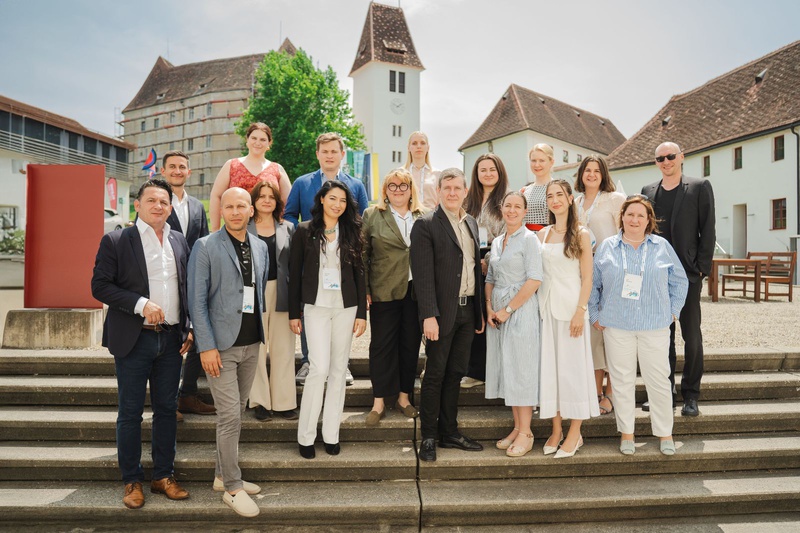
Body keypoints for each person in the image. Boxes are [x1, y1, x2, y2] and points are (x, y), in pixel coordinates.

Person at [91, 178, 192, 509]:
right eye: (152, 200)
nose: (159, 206)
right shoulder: (117, 240)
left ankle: (163, 475)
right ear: (138, 204)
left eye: (164, 201)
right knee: (130, 412)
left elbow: (186, 287)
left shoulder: (179, 240)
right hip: (134, 339)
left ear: (170, 206)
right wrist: (140, 304)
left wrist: (189, 327)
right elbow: (100, 286)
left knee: (166, 410)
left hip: (171, 339)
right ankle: (131, 479)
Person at [188, 187, 268, 518]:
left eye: (241, 206)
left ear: (251, 210)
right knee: (230, 415)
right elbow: (197, 299)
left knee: (237, 411)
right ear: (220, 210)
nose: (235, 211)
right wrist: (205, 346)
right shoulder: (205, 246)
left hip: (251, 343)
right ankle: (233, 487)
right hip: (220, 346)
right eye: (229, 206)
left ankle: (221, 476)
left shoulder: (261, 246)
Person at [589, 195, 689, 456]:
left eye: (640, 215)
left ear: (648, 220)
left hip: (654, 324)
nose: (634, 219)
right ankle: (627, 433)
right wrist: (594, 314)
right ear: (621, 217)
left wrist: (673, 311)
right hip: (616, 325)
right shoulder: (607, 246)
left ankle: (665, 433)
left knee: (658, 380)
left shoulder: (661, 246)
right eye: (629, 214)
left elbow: (680, 280)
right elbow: (593, 283)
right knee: (621, 380)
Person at [410, 168, 486, 462]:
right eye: (447, 188)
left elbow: (473, 268)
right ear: (438, 191)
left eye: (458, 188)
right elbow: (423, 275)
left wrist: (478, 313)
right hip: (441, 314)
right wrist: (429, 315)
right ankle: (429, 435)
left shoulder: (472, 224)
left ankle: (450, 432)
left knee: (456, 373)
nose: (453, 193)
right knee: (435, 374)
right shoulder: (426, 224)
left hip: (468, 312)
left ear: (466, 192)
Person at [289, 180, 367, 459]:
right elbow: (294, 272)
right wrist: (292, 313)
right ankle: (306, 436)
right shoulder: (303, 231)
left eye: (343, 201)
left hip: (346, 307)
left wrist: (361, 314)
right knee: (318, 369)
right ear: (322, 199)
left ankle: (331, 434)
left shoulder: (352, 230)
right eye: (332, 198)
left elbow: (360, 272)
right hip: (315, 308)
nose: (337, 204)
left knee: (337, 371)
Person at [285, 132, 369, 386]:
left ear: (342, 155)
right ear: (318, 154)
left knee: (342, 311)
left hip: (343, 259)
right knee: (313, 307)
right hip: (312, 258)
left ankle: (340, 365)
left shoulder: (355, 185)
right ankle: (309, 362)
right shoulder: (302, 183)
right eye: (325, 151)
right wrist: (302, 237)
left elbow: (363, 220)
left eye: (334, 151)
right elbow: (289, 215)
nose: (330, 155)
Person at [641, 142, 716, 417]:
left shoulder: (699, 187)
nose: (666, 161)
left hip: (688, 274)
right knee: (662, 337)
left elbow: (708, 229)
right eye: (660, 157)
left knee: (691, 335)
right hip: (656, 275)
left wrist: (701, 269)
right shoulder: (648, 191)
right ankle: (664, 391)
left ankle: (691, 395)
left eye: (671, 156)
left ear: (681, 157)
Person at [537, 180, 599, 458]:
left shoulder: (581, 233)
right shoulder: (543, 234)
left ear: (570, 198)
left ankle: (575, 432)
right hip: (546, 311)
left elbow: (588, 277)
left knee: (573, 370)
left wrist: (580, 310)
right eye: (550, 196)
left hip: (572, 309)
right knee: (551, 370)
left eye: (559, 195)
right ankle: (556, 428)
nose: (554, 200)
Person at [362, 168, 425, 426]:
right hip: (383, 289)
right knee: (381, 347)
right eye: (392, 186)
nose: (398, 190)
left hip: (415, 293)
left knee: (410, 346)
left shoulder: (424, 216)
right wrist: (364, 289)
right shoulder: (372, 215)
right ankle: (379, 401)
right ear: (385, 190)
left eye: (403, 186)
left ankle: (403, 398)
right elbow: (363, 254)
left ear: (411, 190)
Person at [485, 191, 543, 458]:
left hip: (520, 310)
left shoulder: (529, 239)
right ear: (501, 208)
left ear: (524, 211)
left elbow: (534, 280)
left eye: (517, 206)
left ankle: (527, 432)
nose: (511, 210)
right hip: (497, 311)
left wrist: (508, 310)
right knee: (508, 369)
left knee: (522, 369)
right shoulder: (498, 241)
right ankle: (517, 427)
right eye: (507, 205)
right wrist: (489, 307)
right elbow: (490, 278)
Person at [160, 150, 215, 419]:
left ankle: (188, 394)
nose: (177, 171)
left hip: (194, 279)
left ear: (189, 172)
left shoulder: (196, 205)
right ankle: (168, 402)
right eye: (172, 167)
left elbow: (203, 241)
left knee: (198, 333)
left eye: (182, 167)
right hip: (167, 280)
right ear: (163, 171)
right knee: (171, 340)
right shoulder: (156, 202)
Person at [573, 155, 626, 417]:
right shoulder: (575, 203)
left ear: (604, 174)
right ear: (581, 175)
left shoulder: (615, 200)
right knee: (593, 335)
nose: (591, 174)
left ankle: (612, 393)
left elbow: (625, 234)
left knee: (612, 335)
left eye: (596, 171)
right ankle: (595, 392)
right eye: (587, 170)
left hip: (611, 272)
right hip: (585, 274)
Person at [246, 181, 298, 421]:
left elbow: (298, 265)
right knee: (255, 348)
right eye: (261, 196)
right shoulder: (243, 227)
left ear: (277, 201)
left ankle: (284, 401)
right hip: (251, 293)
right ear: (253, 200)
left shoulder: (288, 227)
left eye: (271, 197)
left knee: (283, 348)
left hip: (282, 293)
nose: (266, 200)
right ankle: (259, 402)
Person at [461, 153, 509, 389]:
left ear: (499, 172)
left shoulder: (505, 201)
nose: (488, 173)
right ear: (476, 174)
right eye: (483, 170)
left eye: (492, 169)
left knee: (492, 314)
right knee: (472, 316)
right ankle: (475, 370)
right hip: (467, 262)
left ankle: (497, 371)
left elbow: (506, 234)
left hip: (496, 259)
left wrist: (487, 261)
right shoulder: (467, 200)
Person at [209, 122, 292, 231]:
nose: (258, 143)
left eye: (263, 140)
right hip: (237, 227)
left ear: (269, 143)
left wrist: (283, 231)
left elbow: (288, 202)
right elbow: (216, 196)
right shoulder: (232, 165)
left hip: (269, 229)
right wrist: (215, 229)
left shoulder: (277, 169)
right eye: (254, 138)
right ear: (247, 140)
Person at [521, 143, 555, 231]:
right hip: (526, 239)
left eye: (541, 160)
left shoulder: (557, 188)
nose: (537, 165)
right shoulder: (524, 191)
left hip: (548, 238)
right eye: (533, 160)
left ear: (551, 162)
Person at [403, 131, 441, 210]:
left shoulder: (438, 174)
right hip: (406, 217)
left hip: (431, 218)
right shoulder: (400, 173)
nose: (419, 146)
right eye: (414, 143)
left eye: (423, 143)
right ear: (408, 148)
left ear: (428, 148)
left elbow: (441, 202)